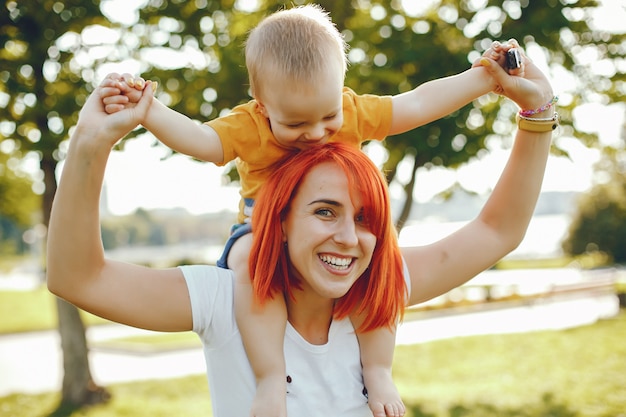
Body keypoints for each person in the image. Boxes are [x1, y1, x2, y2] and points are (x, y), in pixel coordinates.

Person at [47, 39, 558, 416]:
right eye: (324, 211)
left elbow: (497, 230)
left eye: (365, 217)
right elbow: (78, 278)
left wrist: (531, 106)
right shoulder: (226, 301)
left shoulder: (378, 285)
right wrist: (94, 143)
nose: (349, 237)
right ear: (281, 219)